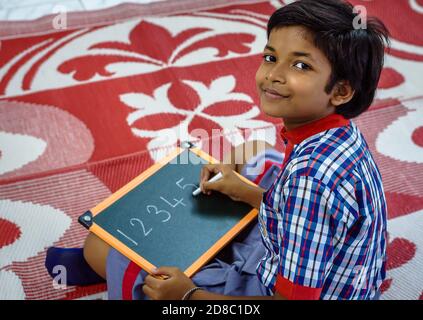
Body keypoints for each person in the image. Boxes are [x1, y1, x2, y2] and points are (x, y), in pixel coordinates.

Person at [46, 0, 389, 300]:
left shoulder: (310, 181)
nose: (273, 75)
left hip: (285, 288)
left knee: (104, 248)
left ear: (341, 91)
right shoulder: (339, 135)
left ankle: (112, 270)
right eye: (271, 57)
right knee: (254, 156)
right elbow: (304, 210)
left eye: (300, 66)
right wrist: (248, 194)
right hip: (306, 260)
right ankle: (115, 267)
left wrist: (189, 294)